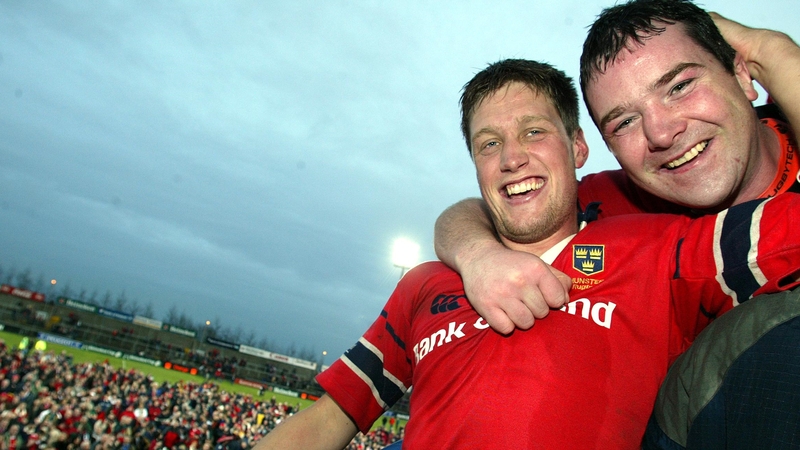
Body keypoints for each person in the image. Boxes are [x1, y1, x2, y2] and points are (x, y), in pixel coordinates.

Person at [254, 58, 800, 449]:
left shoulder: (660, 247)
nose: (511, 158)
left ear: (578, 148)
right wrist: (474, 255)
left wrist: (778, 57)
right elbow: (331, 419)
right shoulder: (426, 281)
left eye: (533, 132)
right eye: (488, 143)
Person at [433, 1, 800, 447]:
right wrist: (479, 257)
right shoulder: (617, 205)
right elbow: (483, 210)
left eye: (680, 85)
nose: (661, 133)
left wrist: (774, 51)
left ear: (744, 74)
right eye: (625, 121)